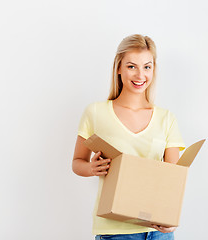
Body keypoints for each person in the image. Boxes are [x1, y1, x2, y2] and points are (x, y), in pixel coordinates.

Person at [72, 34, 185, 240]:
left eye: (147, 67)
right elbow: (77, 162)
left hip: (157, 232)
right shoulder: (96, 112)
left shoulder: (166, 118)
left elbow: (173, 180)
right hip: (115, 231)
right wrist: (90, 168)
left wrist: (171, 219)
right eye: (132, 66)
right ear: (119, 67)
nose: (140, 75)